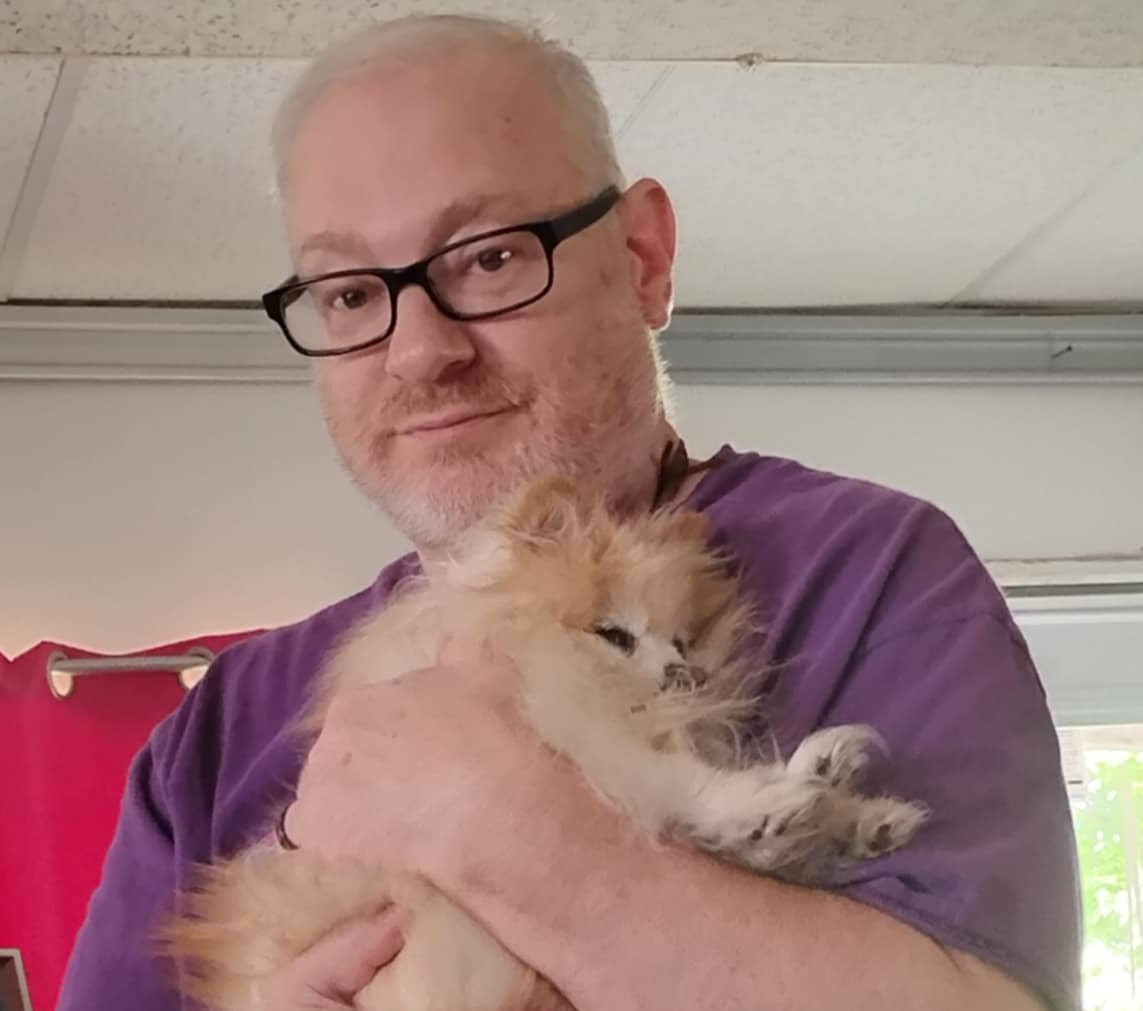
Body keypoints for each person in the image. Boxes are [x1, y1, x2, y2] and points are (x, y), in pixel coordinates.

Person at [58, 14, 1080, 1011]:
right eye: (351, 294)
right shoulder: (220, 732)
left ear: (643, 258)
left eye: (490, 257)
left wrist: (512, 830)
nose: (419, 351)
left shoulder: (869, 574)